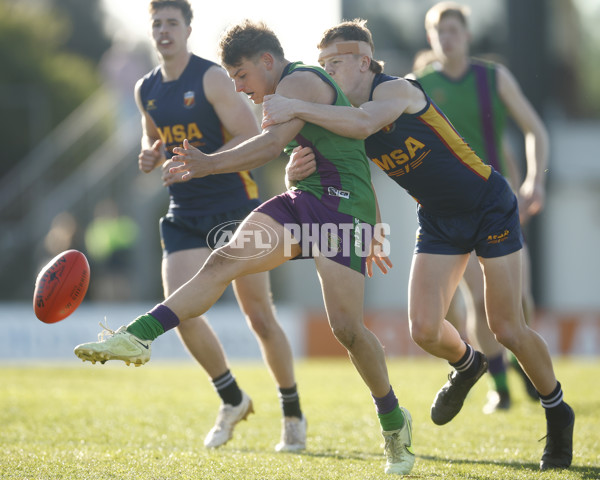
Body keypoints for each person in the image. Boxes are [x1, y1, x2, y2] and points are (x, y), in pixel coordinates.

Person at [74, 19, 415, 476]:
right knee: (225, 258)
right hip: (301, 203)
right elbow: (280, 149)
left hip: (343, 212)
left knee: (347, 330)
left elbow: (270, 145)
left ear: (266, 62)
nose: (238, 87)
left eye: (241, 76)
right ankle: (137, 335)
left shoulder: (296, 81)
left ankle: (393, 422)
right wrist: (247, 167)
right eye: (232, 78)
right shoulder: (279, 93)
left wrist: (208, 164)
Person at [260, 19, 574, 471]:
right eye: (321, 63)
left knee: (505, 327)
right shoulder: (340, 111)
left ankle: (557, 411)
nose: (325, 74)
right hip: (439, 220)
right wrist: (296, 175)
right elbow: (344, 174)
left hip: (488, 203)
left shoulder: (397, 91)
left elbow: (365, 122)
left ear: (363, 61)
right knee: (424, 330)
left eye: (334, 63)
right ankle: (468, 365)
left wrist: (293, 105)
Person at [104, 0, 307, 453]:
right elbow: (152, 133)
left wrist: (204, 164)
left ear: (188, 28)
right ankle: (232, 398)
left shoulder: (212, 76)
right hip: (183, 211)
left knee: (259, 317)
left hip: (235, 204)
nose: (163, 30)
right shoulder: (146, 87)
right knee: (181, 312)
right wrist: (150, 153)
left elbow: (249, 134)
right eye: (156, 23)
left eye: (171, 22)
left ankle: (292, 413)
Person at [410, 1, 546, 414]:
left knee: (518, 303)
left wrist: (532, 180)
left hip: (496, 202)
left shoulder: (493, 78)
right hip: (451, 210)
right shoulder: (418, 85)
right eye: (439, 32)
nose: (446, 38)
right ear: (432, 38)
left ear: (467, 36)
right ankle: (500, 387)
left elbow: (533, 130)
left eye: (453, 30)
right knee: (477, 298)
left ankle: (521, 363)